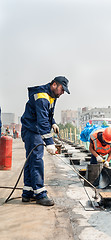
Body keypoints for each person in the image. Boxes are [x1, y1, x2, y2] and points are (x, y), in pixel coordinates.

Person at [21, 76, 70, 206]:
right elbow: (42, 120)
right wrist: (49, 143)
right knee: (36, 160)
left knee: (31, 160)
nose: (62, 92)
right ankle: (40, 194)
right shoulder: (42, 96)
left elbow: (48, 115)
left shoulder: (52, 96)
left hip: (33, 128)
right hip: (32, 129)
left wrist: (53, 123)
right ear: (54, 84)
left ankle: (28, 192)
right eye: (62, 89)